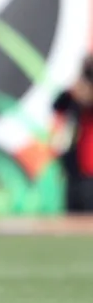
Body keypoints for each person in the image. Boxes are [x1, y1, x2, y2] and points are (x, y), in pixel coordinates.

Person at [52, 55, 93, 213]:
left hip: (90, 169)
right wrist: (75, 89)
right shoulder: (75, 96)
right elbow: (58, 105)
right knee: (73, 214)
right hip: (74, 168)